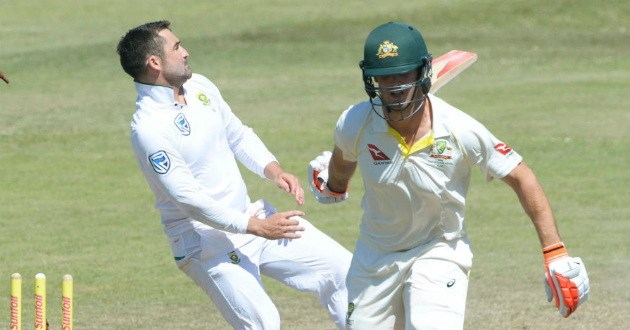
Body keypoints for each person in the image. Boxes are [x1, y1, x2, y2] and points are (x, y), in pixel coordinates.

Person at [308, 22, 589, 330]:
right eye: (385, 77)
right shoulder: (354, 123)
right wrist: (331, 185)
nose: (394, 86)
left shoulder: (460, 129)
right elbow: (341, 168)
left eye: (403, 74)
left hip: (439, 248)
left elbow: (522, 177)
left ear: (422, 73)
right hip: (375, 256)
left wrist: (555, 252)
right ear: (370, 78)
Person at [116, 20, 351, 330]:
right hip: (206, 242)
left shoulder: (199, 85)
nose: (185, 52)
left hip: (251, 219)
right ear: (154, 62)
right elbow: (190, 200)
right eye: (176, 47)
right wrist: (257, 227)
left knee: (344, 271)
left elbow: (237, 134)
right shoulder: (150, 128)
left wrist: (273, 169)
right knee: (264, 323)